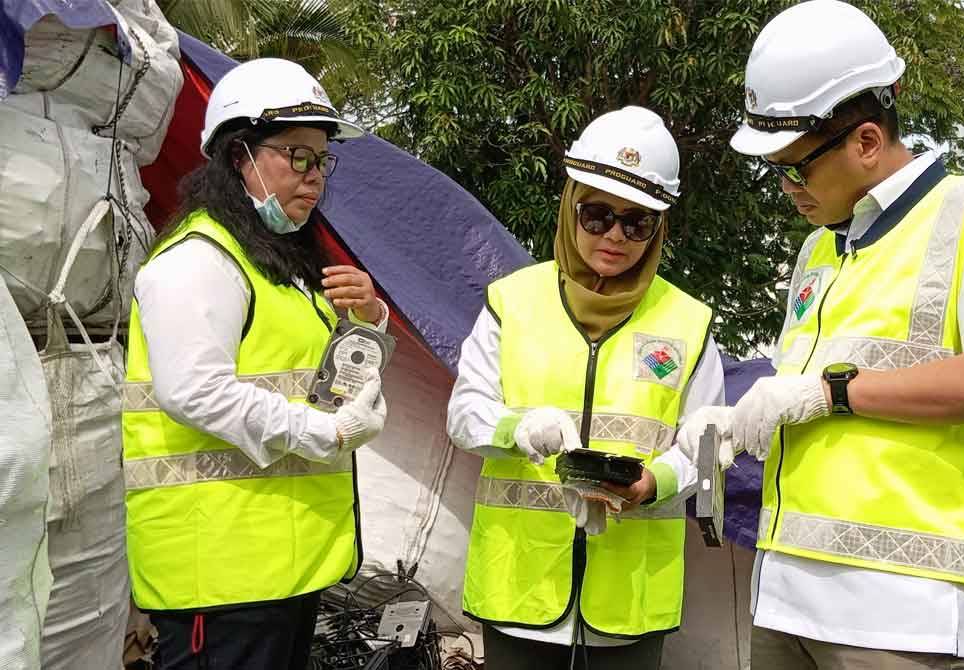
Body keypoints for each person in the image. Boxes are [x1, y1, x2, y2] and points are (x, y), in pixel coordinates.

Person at [680, 2, 964, 668]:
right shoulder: (819, 250)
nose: (786, 187)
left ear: (865, 141)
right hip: (782, 600)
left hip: (900, 615)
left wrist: (831, 394)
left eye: (796, 167)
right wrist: (739, 419)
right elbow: (797, 390)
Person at [121, 58, 390, 670]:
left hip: (281, 568)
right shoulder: (197, 260)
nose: (314, 175)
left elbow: (310, 376)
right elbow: (193, 390)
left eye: (322, 159)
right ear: (239, 154)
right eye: (296, 155)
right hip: (217, 576)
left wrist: (367, 325)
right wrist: (323, 431)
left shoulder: (277, 266)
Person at [447, 106, 726, 669]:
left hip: (630, 600)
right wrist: (519, 427)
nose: (615, 236)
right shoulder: (511, 303)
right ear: (570, 207)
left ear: (657, 229)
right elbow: (463, 414)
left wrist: (656, 481)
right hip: (518, 588)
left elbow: (711, 441)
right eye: (596, 215)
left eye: (637, 222)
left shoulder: (688, 322)